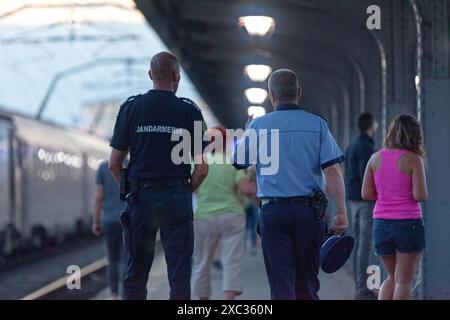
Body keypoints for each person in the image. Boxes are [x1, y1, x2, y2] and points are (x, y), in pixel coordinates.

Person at [233, 69, 348, 300]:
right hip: (309, 213)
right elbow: (333, 171)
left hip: (273, 213)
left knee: (281, 285)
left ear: (271, 96)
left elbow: (239, 161)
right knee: (307, 283)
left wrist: (247, 132)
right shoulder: (317, 125)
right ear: (299, 93)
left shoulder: (258, 127)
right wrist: (342, 211)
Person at [108, 51, 209, 300]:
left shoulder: (130, 108)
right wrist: (186, 190)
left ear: (150, 75)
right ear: (177, 76)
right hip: (176, 198)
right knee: (179, 274)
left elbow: (114, 164)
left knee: (136, 274)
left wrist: (130, 188)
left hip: (141, 198)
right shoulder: (189, 111)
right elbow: (202, 168)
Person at [362, 114, 427, 300]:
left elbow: (366, 194)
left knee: (392, 277)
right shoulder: (414, 160)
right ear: (415, 136)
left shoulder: (375, 159)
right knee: (404, 282)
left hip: (381, 224)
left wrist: (386, 196)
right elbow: (420, 195)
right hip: (408, 224)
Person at [192, 125, 256, 300]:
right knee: (231, 262)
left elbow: (189, 188)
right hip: (231, 215)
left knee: (202, 262)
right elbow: (246, 189)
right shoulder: (232, 162)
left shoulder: (198, 161)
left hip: (203, 216)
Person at [345, 112, 378, 300]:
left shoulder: (352, 145)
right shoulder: (366, 146)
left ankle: (359, 285)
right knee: (366, 243)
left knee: (358, 241)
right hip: (365, 200)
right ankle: (362, 289)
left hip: (352, 198)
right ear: (370, 125)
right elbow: (368, 175)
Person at [92, 161, 127, 299]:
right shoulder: (131, 165)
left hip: (109, 220)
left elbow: (98, 197)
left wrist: (95, 220)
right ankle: (125, 293)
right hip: (127, 219)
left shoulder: (102, 168)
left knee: (112, 259)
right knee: (126, 258)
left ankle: (113, 294)